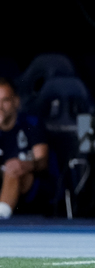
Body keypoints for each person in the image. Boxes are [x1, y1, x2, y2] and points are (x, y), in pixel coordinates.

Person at [0, 77, 51, 219]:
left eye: (5, 101)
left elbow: (42, 162)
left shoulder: (31, 123)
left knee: (13, 170)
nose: (0, 107)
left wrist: (24, 165)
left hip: (30, 181)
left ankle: (2, 217)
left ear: (16, 102)